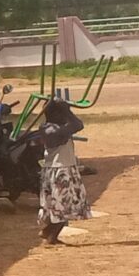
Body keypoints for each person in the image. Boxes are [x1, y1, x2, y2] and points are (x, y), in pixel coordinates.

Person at [36, 94, 89, 243]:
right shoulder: (53, 130)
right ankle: (50, 234)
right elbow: (78, 124)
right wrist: (67, 110)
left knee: (59, 206)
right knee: (65, 207)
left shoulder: (48, 127)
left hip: (56, 169)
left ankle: (49, 233)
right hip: (61, 171)